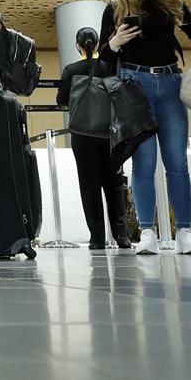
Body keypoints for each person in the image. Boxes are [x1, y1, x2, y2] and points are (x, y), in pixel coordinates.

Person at [99, 0, 191, 256]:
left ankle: (184, 230)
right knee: (144, 162)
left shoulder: (171, 1)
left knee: (177, 161)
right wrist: (114, 43)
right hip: (136, 86)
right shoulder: (115, 8)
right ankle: (146, 231)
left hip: (171, 82)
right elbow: (103, 61)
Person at [56, 27, 130, 252]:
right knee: (114, 185)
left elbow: (61, 100)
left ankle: (97, 238)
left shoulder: (71, 70)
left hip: (82, 134)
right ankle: (122, 236)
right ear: (98, 45)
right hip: (109, 133)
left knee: (89, 186)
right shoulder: (109, 67)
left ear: (78, 46)